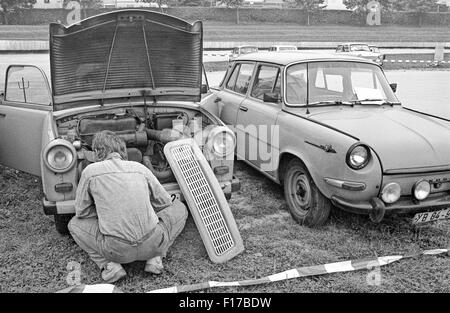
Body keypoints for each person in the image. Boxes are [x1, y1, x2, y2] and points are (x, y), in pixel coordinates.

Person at [68, 130, 188, 283]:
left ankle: (110, 267)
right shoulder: (140, 168)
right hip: (153, 243)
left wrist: (106, 212)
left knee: (74, 224)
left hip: (116, 251)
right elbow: (164, 202)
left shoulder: (90, 172)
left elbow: (82, 212)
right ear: (123, 150)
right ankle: (155, 258)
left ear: (98, 152)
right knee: (180, 208)